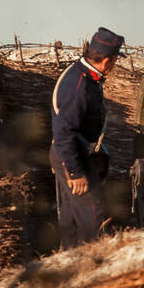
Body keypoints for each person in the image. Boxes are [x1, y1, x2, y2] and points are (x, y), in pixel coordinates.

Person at [50, 26, 124, 249]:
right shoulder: (79, 86)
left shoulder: (83, 75)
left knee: (71, 219)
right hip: (72, 155)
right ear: (107, 61)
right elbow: (64, 132)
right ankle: (89, 266)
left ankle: (69, 266)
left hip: (70, 151)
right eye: (114, 61)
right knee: (93, 217)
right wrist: (75, 172)